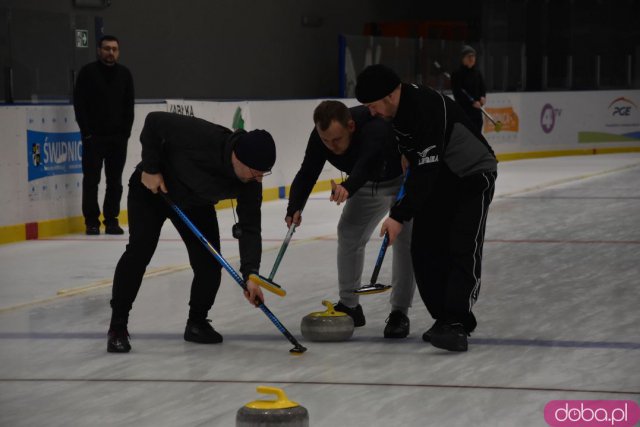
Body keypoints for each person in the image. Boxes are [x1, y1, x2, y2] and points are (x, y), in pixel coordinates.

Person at [106, 111, 276, 353]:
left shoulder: (251, 183)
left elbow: (250, 227)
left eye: (264, 173)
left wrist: (251, 274)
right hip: (154, 189)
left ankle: (197, 322)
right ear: (238, 158)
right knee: (139, 252)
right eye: (256, 172)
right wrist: (151, 168)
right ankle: (118, 326)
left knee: (209, 262)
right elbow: (153, 121)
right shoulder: (204, 136)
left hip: (195, 202)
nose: (259, 179)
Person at [355, 64, 497, 352]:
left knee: (462, 245)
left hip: (472, 175)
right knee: (423, 248)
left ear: (390, 95)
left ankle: (456, 323)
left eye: (372, 105)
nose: (371, 112)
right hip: (442, 179)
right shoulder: (395, 113)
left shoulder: (423, 107)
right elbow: (417, 161)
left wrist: (398, 215)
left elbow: (425, 172)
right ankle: (444, 318)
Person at [286, 100, 416, 339]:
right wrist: (294, 207)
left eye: (336, 139)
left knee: (404, 240)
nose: (331, 146)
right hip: (365, 186)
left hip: (399, 180)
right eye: (325, 140)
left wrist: (348, 186)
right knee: (348, 233)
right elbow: (307, 172)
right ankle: (349, 306)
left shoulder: (374, 127)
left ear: (351, 126)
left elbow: (366, 163)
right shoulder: (320, 137)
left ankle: (399, 312)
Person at [73, 35, 135, 235]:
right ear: (99, 50)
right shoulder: (87, 73)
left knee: (114, 181)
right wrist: (87, 133)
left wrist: (125, 132)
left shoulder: (125, 74)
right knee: (91, 180)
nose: (111, 52)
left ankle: (111, 220)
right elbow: (80, 104)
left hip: (117, 139)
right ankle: (91, 221)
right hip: (94, 138)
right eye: (107, 48)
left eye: (114, 49)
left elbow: (128, 106)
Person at [451, 45, 487, 134]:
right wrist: (471, 103)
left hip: (477, 113)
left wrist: (482, 97)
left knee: (478, 136)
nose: (472, 59)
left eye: (473, 56)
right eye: (469, 56)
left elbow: (482, 87)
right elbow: (457, 93)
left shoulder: (477, 73)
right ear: (463, 58)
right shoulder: (457, 74)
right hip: (464, 112)